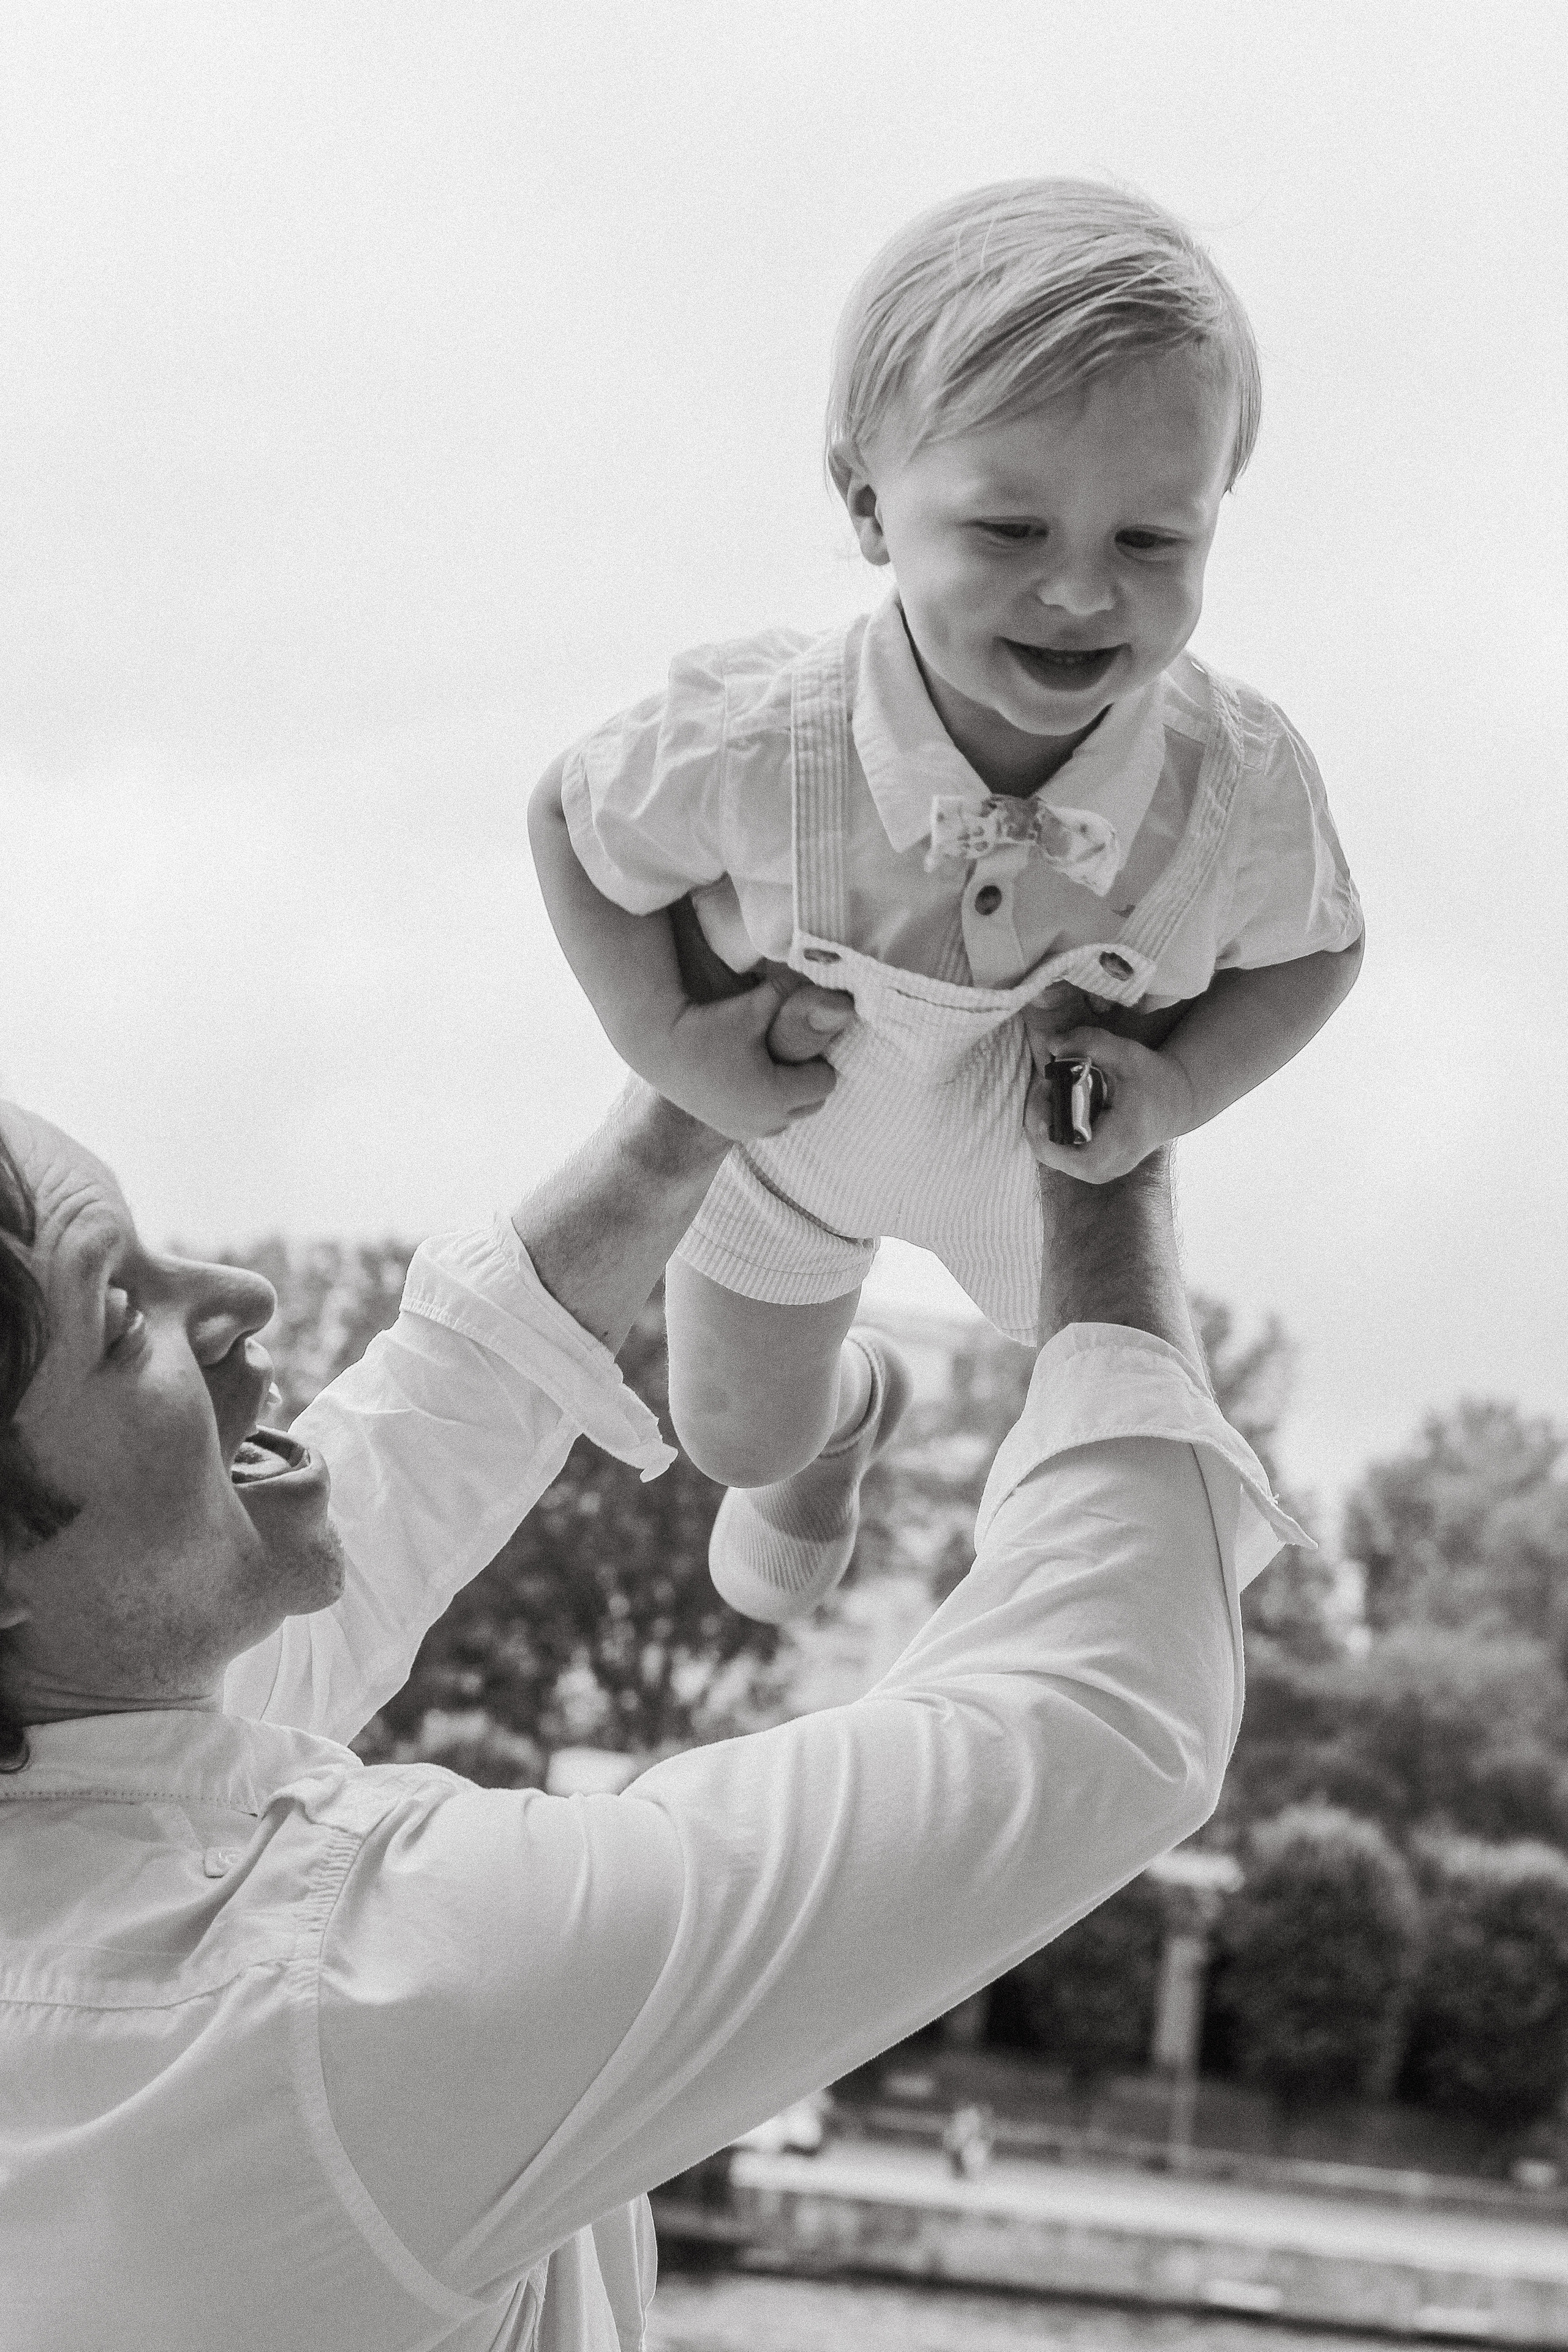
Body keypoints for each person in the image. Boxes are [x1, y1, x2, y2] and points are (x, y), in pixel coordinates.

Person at [0, 1040, 1300, 2352]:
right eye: (121, 1322)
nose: (242, 1293)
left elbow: (391, 1460)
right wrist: (1104, 1164)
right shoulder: (329, 2008)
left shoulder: (81, 1802)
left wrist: (676, 1123)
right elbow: (1091, 1714)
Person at [529, 178, 1363, 1627]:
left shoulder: (1231, 786)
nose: (1080, 594)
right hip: (793, 1133)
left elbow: (1319, 951)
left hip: (1043, 1162)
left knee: (1116, 1457)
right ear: (866, 504)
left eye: (1149, 543)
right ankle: (843, 1421)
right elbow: (569, 822)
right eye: (1009, 532)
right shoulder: (751, 742)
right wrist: (666, 1038)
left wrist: (1173, 1090)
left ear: (1214, 513)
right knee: (736, 1432)